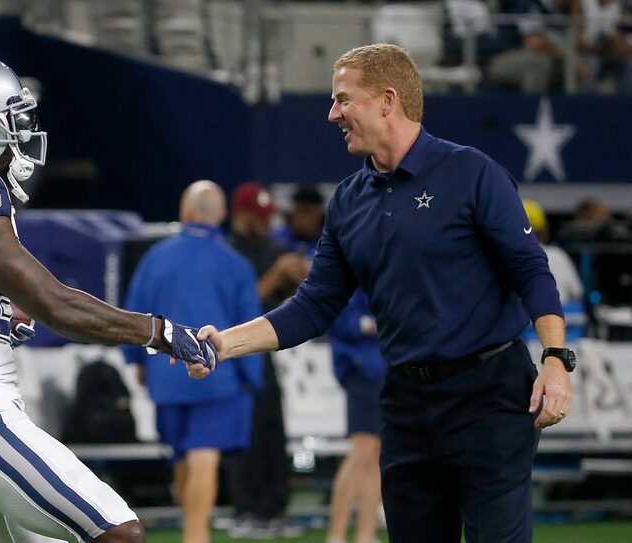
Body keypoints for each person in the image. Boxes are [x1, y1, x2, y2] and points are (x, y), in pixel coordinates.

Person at [193, 44, 575, 543]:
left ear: (387, 100)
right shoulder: (348, 201)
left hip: (490, 396)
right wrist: (224, 343)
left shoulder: (472, 173)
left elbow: (531, 271)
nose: (333, 114)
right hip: (404, 401)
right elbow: (314, 305)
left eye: (343, 100)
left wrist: (554, 360)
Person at [0, 54, 215, 543]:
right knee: (120, 533)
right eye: (8, 119)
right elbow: (58, 305)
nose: (21, 131)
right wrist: (158, 332)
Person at [122, 180, 263, 543]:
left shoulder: (154, 258)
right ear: (222, 216)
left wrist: (136, 362)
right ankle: (196, 536)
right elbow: (250, 326)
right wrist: (252, 378)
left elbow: (133, 316)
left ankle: (192, 530)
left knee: (181, 458)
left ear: (185, 213)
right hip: (219, 377)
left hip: (164, 378)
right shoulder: (236, 264)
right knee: (204, 457)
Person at [224, 182, 303, 539]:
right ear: (241, 215)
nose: (266, 223)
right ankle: (246, 509)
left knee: (273, 430)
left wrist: (299, 278)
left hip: (267, 354)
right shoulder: (227, 252)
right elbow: (238, 305)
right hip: (235, 352)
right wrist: (275, 276)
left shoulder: (274, 247)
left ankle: (276, 508)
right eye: (259, 217)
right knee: (245, 433)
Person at [326, 291, 385, 543]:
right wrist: (373, 324)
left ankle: (365, 534)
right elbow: (338, 316)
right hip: (365, 368)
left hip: (388, 366)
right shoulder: (357, 263)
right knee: (363, 450)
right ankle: (337, 534)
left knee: (376, 453)